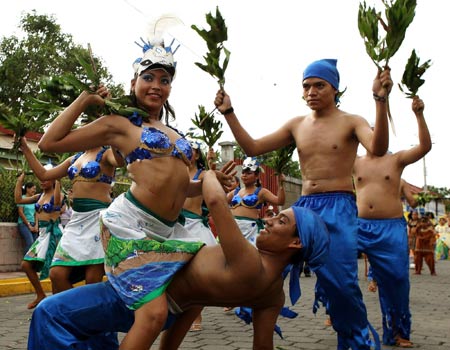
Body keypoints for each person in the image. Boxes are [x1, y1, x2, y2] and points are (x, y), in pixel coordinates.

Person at [37, 38, 234, 349]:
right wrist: (85, 99)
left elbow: (179, 188)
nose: (157, 85)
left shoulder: (173, 132)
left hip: (168, 231)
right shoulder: (119, 124)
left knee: (199, 292)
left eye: (165, 80)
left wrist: (209, 183)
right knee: (153, 315)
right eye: (149, 78)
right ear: (134, 82)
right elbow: (48, 143)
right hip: (130, 227)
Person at [28, 169, 329, 350]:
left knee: (49, 314)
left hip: (138, 294)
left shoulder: (248, 260)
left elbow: (214, 201)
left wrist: (209, 174)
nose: (272, 217)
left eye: (282, 221)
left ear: (295, 242)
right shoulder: (272, 294)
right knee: (94, 333)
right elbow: (258, 343)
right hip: (159, 303)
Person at [214, 58, 392, 349]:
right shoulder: (297, 124)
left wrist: (380, 101)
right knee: (270, 267)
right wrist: (229, 113)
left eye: (319, 85)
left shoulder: (352, 121)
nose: (311, 91)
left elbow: (379, 148)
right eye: (306, 86)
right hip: (305, 208)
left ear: (334, 88)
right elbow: (253, 148)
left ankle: (357, 342)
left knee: (343, 284)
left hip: (339, 207)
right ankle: (259, 329)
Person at [353, 95, 431, 348]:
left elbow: (424, 147)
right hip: (359, 227)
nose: (373, 138)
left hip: (391, 227)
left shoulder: (396, 160)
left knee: (397, 281)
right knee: (335, 266)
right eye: (368, 133)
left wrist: (419, 115)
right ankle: (344, 322)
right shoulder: (354, 163)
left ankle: (398, 332)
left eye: (377, 132)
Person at [18, 136, 123, 293]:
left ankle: (88, 315)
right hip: (77, 220)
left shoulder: (107, 154)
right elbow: (44, 174)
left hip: (97, 218)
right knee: (56, 274)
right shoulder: (74, 158)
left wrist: (114, 134)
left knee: (92, 279)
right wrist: (25, 148)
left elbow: (120, 161)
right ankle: (76, 310)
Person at [182, 141, 217, 332]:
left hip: (195, 226)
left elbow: (213, 182)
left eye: (191, 151)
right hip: (176, 226)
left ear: (197, 155)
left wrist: (212, 165)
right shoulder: (176, 172)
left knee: (195, 274)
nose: (186, 154)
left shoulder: (202, 174)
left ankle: (197, 314)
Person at [14, 171, 63, 309]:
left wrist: (58, 182)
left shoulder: (59, 194)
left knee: (54, 271)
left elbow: (58, 202)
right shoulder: (39, 196)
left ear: (53, 180)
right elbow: (18, 200)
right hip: (42, 235)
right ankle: (40, 295)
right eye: (41, 179)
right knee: (26, 265)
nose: (42, 181)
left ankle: (56, 303)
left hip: (54, 235)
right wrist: (19, 181)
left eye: (46, 179)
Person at [228, 156, 285, 245]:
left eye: (248, 173)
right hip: (233, 228)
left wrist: (281, 184)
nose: (244, 175)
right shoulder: (235, 192)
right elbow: (219, 202)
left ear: (257, 176)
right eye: (243, 172)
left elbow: (280, 201)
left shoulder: (261, 192)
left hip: (250, 231)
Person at [16, 179, 38, 254]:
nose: (34, 191)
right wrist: (28, 225)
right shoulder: (22, 198)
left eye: (35, 189)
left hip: (33, 224)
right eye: (33, 189)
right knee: (30, 243)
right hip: (23, 224)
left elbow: (36, 214)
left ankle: (33, 264)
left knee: (36, 245)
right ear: (27, 189)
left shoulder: (34, 200)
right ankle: (25, 263)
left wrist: (36, 226)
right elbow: (20, 212)